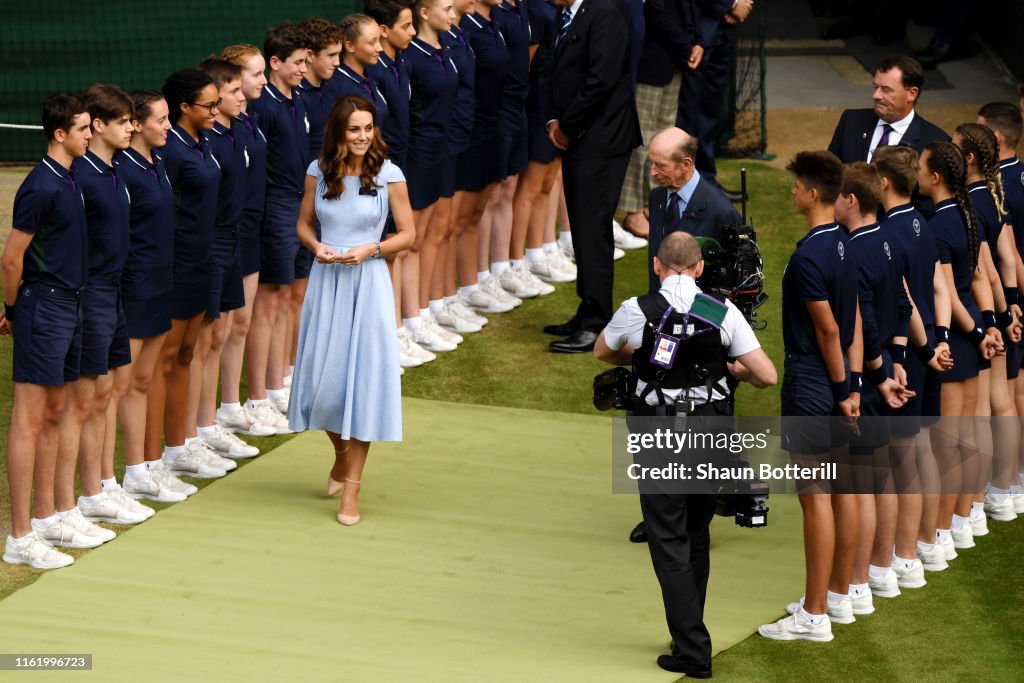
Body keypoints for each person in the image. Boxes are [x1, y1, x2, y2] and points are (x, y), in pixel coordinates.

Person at [595, 231, 776, 675]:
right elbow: (767, 375)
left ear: (658, 266)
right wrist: (734, 369)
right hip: (711, 431)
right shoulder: (721, 310)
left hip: (659, 434)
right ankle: (686, 635)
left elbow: (603, 351)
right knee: (695, 535)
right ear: (698, 268)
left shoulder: (636, 310)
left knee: (668, 540)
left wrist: (641, 359)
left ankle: (693, 647)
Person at [289, 94, 415, 526]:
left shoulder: (389, 174)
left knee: (361, 385)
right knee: (322, 386)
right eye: (354, 129)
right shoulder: (317, 172)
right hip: (326, 282)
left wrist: (372, 249)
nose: (363, 137)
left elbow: (409, 234)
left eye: (368, 128)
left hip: (370, 282)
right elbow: (304, 223)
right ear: (339, 133)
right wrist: (316, 246)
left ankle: (353, 492)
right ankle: (341, 456)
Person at [759, 150, 861, 643]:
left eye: (796, 186)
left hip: (812, 381)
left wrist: (843, 390)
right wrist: (853, 386)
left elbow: (827, 330)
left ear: (813, 194)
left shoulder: (807, 257)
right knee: (834, 492)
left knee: (814, 496)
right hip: (835, 380)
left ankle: (815, 615)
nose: (792, 192)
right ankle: (835, 597)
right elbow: (852, 323)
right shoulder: (844, 242)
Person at [1, 94, 91, 570]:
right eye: (82, 129)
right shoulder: (40, 187)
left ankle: (47, 516)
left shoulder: (71, 178)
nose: (90, 135)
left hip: (70, 307)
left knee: (57, 411)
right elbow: (11, 258)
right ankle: (19, 537)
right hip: (44, 309)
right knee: (30, 418)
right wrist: (12, 309)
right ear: (60, 134)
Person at [63, 84, 153, 532]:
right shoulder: (82, 177)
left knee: (106, 394)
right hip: (91, 295)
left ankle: (102, 483)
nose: (131, 128)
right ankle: (86, 495)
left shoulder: (114, 171)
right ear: (98, 125)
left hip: (115, 292)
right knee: (88, 397)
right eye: (123, 122)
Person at [116, 90, 200, 503]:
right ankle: (131, 472)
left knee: (145, 380)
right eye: (161, 120)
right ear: (136, 124)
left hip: (161, 283)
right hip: (135, 288)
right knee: (127, 383)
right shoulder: (124, 170)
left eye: (169, 118)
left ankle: (148, 465)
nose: (168, 126)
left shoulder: (159, 162)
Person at [545, 0, 642, 353]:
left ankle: (597, 322)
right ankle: (588, 310)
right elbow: (560, 72)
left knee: (592, 229)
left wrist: (568, 126)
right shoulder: (568, 14)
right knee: (584, 228)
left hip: (601, 140)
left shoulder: (605, 13)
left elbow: (600, 79)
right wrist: (555, 120)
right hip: (582, 139)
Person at [155, 69, 233, 480]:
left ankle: (180, 444)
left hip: (204, 261)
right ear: (183, 107)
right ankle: (160, 456)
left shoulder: (204, 143)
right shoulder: (172, 151)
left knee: (187, 354)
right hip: (179, 264)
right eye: (209, 105)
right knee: (168, 357)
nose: (216, 111)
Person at [190, 58, 260, 461]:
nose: (241, 96)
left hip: (234, 240)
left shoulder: (234, 132)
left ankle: (209, 423)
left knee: (219, 337)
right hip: (210, 247)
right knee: (202, 342)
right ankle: (193, 434)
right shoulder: (206, 140)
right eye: (232, 91)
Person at [246, 22, 310, 426]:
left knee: (290, 298)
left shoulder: (297, 97)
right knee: (269, 303)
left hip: (302, 206)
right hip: (277, 209)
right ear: (275, 62)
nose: (304, 68)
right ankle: (260, 396)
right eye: (298, 62)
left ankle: (282, 379)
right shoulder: (263, 106)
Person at [217, 44, 281, 436]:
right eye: (254, 75)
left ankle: (235, 404)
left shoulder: (248, 120)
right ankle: (219, 411)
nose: (259, 82)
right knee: (222, 327)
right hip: (231, 233)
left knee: (242, 322)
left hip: (252, 230)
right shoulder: (226, 126)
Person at [617, 0, 702, 239]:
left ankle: (653, 205)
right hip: (650, 62)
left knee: (665, 142)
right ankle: (632, 210)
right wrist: (687, 47)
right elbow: (656, 11)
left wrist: (698, 43)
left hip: (673, 62)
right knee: (642, 141)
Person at [645, 127, 740, 294]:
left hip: (698, 314)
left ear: (685, 164)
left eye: (660, 165)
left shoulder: (721, 211)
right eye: (652, 163)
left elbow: (734, 280)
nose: (652, 172)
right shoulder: (657, 197)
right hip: (658, 310)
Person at [675, 0, 754, 193]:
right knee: (690, 111)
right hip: (695, 30)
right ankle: (684, 183)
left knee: (710, 110)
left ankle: (705, 180)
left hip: (723, 28)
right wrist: (731, 4)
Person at [827, 56, 949, 165]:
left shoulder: (936, 143)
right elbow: (827, 175)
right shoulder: (851, 121)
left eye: (886, 89)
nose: (876, 95)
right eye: (875, 87)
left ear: (912, 94)